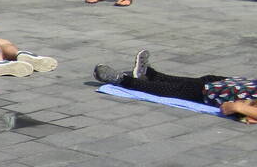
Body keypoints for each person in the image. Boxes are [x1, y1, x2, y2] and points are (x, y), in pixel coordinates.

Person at [94, 50, 257, 123]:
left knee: (177, 91)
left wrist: (238, 108)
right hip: (239, 86)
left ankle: (122, 81)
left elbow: (234, 108)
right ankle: (152, 75)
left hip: (227, 95)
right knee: (194, 82)